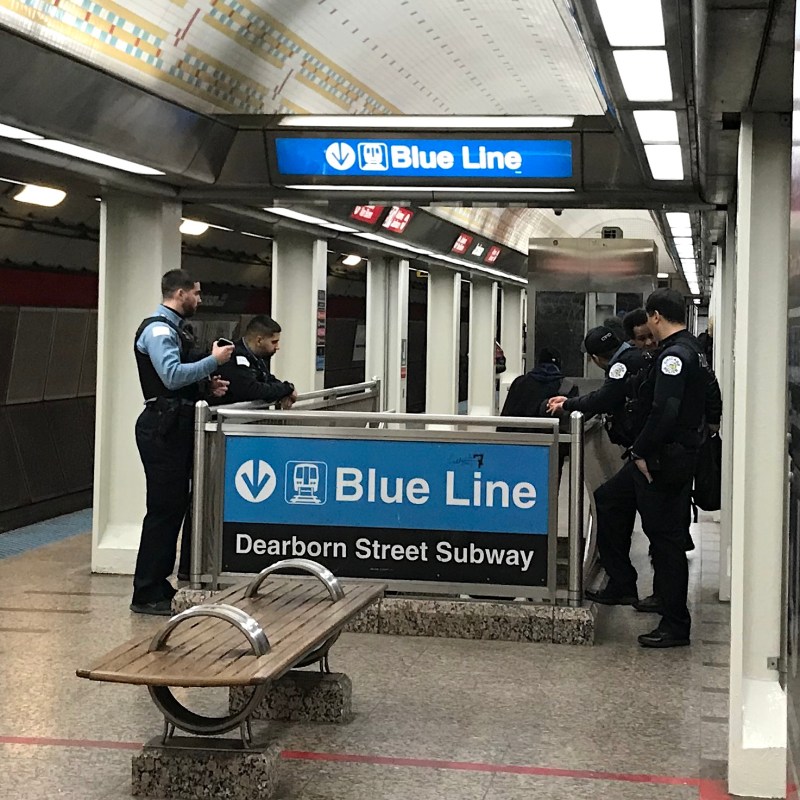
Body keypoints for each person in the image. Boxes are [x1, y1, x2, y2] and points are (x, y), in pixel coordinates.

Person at [588, 288, 712, 648]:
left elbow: (664, 411)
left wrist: (640, 449)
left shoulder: (674, 356)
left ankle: (675, 624)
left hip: (661, 460)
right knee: (611, 499)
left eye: (649, 321)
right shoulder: (694, 349)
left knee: (666, 540)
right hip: (670, 454)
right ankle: (629, 584)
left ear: (656, 316)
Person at [131, 269, 234, 616]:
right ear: (179, 293)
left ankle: (158, 583)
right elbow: (171, 376)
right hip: (162, 428)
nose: (200, 300)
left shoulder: (176, 329)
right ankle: (145, 591)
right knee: (163, 509)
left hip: (173, 424)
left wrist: (207, 386)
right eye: (196, 293)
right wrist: (212, 362)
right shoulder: (159, 330)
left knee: (173, 507)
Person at [547, 325, 651, 443]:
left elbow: (603, 399)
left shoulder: (621, 366)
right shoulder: (635, 355)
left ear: (596, 358)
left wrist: (566, 404)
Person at [499, 347, 578, 472]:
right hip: (553, 448)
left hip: (520, 446)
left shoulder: (520, 382)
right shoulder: (567, 386)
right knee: (550, 484)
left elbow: (506, 416)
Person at [212, 315, 297, 407]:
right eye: (274, 342)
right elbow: (252, 390)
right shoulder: (232, 356)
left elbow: (268, 379)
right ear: (259, 340)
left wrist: (286, 389)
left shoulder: (257, 358)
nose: (277, 347)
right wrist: (287, 388)